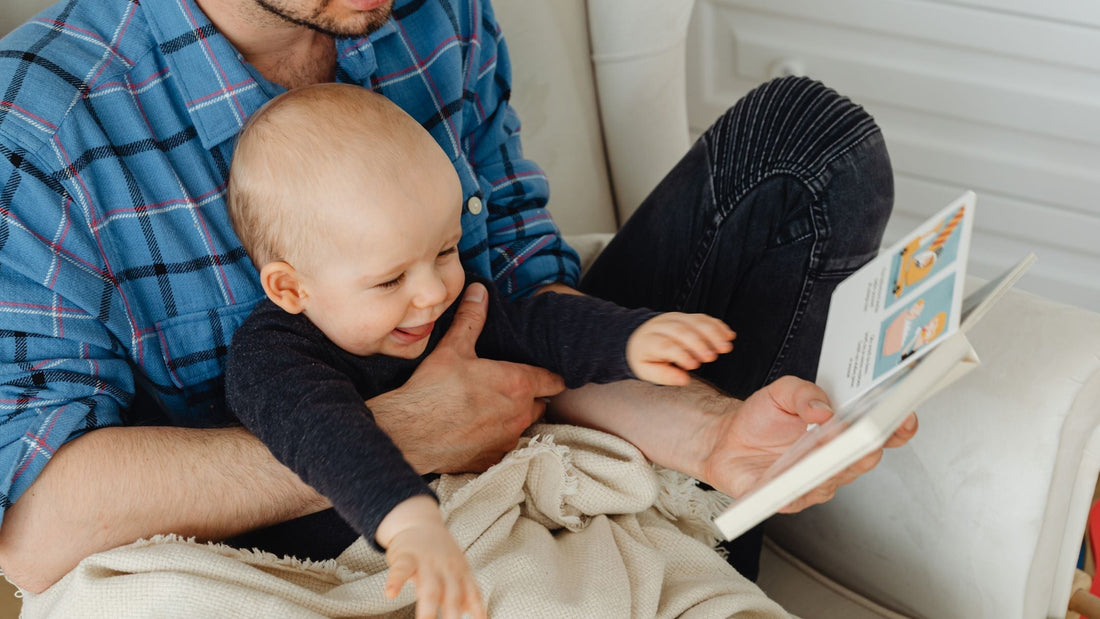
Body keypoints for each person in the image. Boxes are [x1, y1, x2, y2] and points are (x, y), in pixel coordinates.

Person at [0, 0, 916, 597]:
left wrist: (710, 433)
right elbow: (34, 531)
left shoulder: (432, 18)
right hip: (272, 560)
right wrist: (407, 434)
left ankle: (696, 519)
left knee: (804, 144)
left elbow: (514, 300)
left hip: (515, 455)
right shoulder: (43, 124)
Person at [223, 82, 737, 618]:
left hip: (470, 524)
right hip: (357, 551)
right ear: (290, 288)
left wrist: (632, 338)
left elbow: (538, 327)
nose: (432, 292)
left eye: (446, 250)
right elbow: (328, 438)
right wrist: (408, 520)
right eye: (390, 280)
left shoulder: (445, 312)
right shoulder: (271, 359)